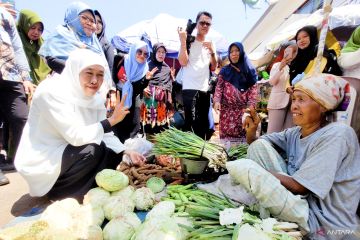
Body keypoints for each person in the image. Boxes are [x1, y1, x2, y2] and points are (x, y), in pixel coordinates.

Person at [228, 74, 360, 239]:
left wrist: (254, 173)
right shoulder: (295, 133)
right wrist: (251, 131)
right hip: (300, 203)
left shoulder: (338, 134)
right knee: (258, 147)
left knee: (247, 170)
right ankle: (276, 214)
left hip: (321, 219)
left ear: (323, 106)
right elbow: (255, 143)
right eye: (294, 99)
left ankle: (286, 220)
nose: (294, 107)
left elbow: (300, 187)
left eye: (301, 100)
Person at [15, 49, 146, 200]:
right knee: (93, 149)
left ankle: (85, 189)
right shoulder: (51, 92)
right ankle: (60, 193)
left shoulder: (95, 99)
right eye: (89, 73)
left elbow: (105, 134)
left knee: (111, 152)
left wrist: (126, 151)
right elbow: (75, 136)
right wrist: (112, 120)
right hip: (46, 157)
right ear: (75, 70)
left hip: (70, 152)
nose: (95, 80)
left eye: (100, 74)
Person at [38, 1, 114, 100]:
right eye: (84, 18)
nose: (89, 22)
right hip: (64, 90)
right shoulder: (62, 33)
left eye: (92, 20)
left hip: (90, 95)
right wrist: (80, 72)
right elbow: (51, 59)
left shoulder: (94, 42)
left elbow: (104, 71)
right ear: (73, 16)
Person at [0, 5, 34, 174]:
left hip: (10, 74)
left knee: (21, 116)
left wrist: (26, 77)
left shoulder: (6, 15)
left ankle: (22, 159)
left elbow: (17, 45)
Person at [177, 11, 217, 139]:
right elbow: (183, 62)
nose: (205, 25)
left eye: (208, 24)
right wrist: (183, 42)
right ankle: (189, 154)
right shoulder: (189, 40)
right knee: (191, 123)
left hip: (204, 89)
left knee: (203, 124)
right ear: (197, 23)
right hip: (189, 88)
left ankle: (199, 152)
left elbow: (214, 67)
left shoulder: (211, 43)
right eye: (202, 22)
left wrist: (212, 52)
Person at [112, 40, 157, 143]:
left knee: (132, 129)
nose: (142, 56)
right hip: (118, 97)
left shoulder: (144, 69)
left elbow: (137, 89)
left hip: (133, 101)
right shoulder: (120, 58)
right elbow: (112, 76)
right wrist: (116, 88)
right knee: (116, 127)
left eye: (146, 54)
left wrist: (146, 79)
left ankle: (129, 154)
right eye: (139, 52)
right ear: (133, 50)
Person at [213, 42, 257, 140]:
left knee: (242, 138)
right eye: (231, 51)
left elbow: (253, 93)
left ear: (241, 52)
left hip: (242, 112)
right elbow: (219, 87)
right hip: (226, 112)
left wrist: (250, 109)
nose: (234, 53)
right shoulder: (224, 71)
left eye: (237, 50)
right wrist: (216, 100)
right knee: (226, 139)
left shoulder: (250, 71)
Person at [140, 43, 175, 135]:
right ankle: (148, 143)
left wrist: (170, 103)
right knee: (148, 125)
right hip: (148, 99)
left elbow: (169, 86)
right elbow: (140, 81)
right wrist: (143, 88)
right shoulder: (146, 66)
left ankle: (158, 145)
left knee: (160, 127)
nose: (161, 54)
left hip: (161, 101)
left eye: (163, 52)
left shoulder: (167, 68)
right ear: (154, 52)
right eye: (159, 51)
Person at [267, 42, 297, 133]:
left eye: (295, 51)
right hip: (278, 102)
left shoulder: (297, 66)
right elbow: (272, 82)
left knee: (289, 132)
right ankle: (268, 147)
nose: (292, 54)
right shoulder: (277, 65)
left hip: (293, 102)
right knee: (273, 132)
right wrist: (280, 68)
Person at [17, 9, 52, 85]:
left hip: (40, 86)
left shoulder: (41, 43)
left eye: (40, 29)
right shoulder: (14, 38)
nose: (36, 32)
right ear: (25, 24)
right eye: (33, 28)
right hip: (17, 83)